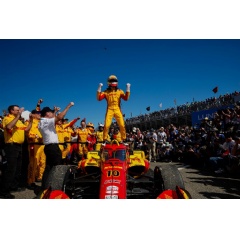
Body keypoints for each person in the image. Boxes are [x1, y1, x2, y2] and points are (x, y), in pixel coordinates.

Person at [38, 102, 74, 189]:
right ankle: (54, 187)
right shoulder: (45, 121)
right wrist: (68, 106)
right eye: (50, 112)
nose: (52, 114)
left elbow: (54, 118)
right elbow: (59, 117)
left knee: (49, 168)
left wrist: (54, 111)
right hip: (52, 147)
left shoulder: (42, 122)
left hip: (49, 147)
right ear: (47, 113)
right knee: (56, 168)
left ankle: (45, 187)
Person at [0, 105, 33, 199]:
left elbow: (26, 129)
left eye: (19, 110)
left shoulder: (18, 120)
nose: (19, 111)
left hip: (19, 147)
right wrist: (18, 116)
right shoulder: (7, 118)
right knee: (10, 169)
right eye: (17, 110)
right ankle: (3, 191)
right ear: (11, 111)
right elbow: (9, 126)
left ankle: (12, 186)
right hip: (11, 146)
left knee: (17, 169)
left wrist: (31, 120)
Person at [97, 75, 130, 143]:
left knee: (122, 124)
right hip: (110, 109)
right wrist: (99, 88)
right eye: (111, 81)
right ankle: (105, 139)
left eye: (114, 81)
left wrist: (128, 88)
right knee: (106, 125)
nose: (113, 82)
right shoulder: (106, 92)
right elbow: (99, 98)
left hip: (117, 109)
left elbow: (126, 98)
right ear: (108, 82)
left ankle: (124, 139)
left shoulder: (119, 91)